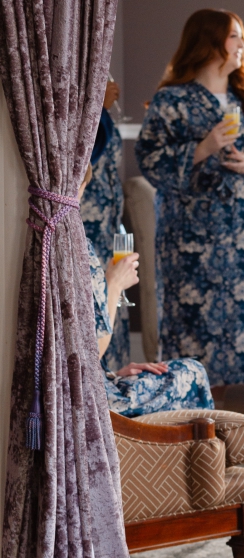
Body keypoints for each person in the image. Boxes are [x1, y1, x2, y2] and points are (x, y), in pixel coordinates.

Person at [135, 10, 244, 387]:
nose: (242, 44)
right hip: (193, 249)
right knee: (193, 334)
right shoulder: (171, 102)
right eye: (234, 36)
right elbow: (150, 159)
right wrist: (203, 148)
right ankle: (190, 419)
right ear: (209, 41)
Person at [89, 240, 213, 417]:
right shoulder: (65, 239)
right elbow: (86, 355)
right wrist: (115, 284)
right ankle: (203, 443)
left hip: (96, 383)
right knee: (193, 372)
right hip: (94, 399)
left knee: (186, 369)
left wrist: (110, 374)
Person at [81, 79, 129, 369]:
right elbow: (85, 159)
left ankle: (113, 373)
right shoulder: (82, 114)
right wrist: (99, 108)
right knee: (98, 295)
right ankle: (98, 375)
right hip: (88, 219)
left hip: (109, 222)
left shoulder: (103, 115)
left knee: (115, 290)